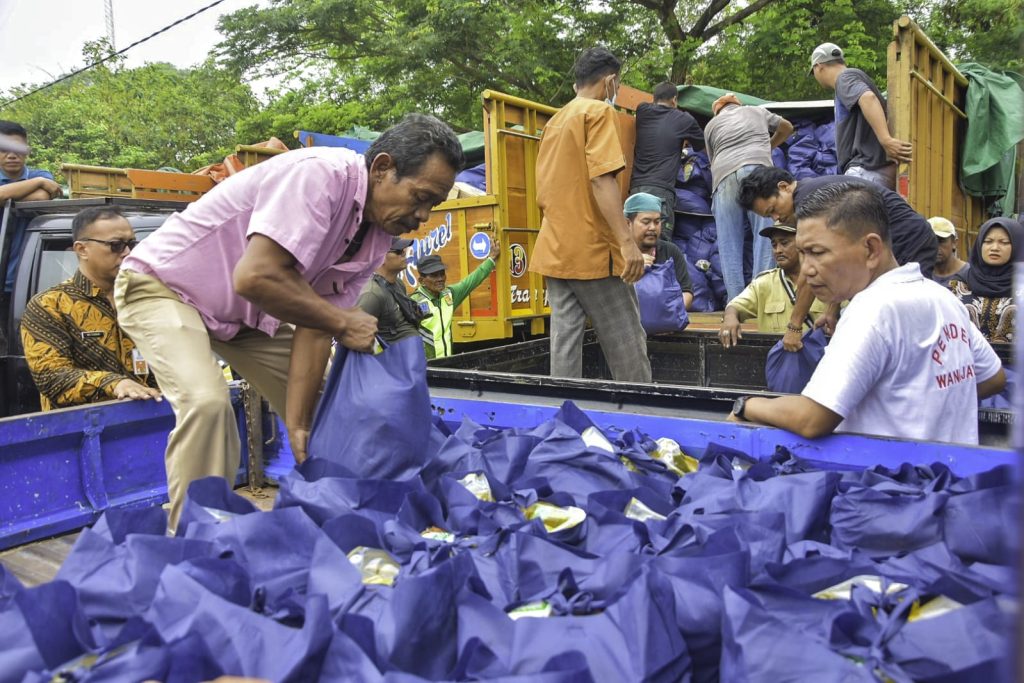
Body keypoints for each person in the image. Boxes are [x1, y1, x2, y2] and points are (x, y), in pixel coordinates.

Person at [113, 113, 463, 530]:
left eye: (433, 206)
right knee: (207, 403)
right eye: (419, 197)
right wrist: (342, 322)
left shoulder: (377, 238)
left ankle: (344, 522)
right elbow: (256, 276)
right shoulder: (320, 176)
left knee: (325, 407)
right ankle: (195, 543)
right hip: (164, 286)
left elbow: (316, 326)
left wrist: (298, 424)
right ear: (383, 167)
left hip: (245, 312)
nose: (423, 216)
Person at [728, 182, 1005, 444]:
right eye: (802, 254)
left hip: (893, 486)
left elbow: (812, 419)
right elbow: (993, 378)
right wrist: (923, 403)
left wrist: (747, 405)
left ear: (871, 249)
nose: (807, 269)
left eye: (817, 252)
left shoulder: (871, 310)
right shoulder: (942, 297)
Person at [531, 47, 651, 382]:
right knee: (627, 343)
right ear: (611, 82)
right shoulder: (598, 113)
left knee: (565, 344)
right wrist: (627, 243)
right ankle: (642, 418)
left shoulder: (555, 120)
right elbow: (602, 180)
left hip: (555, 248)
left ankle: (564, 417)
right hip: (593, 250)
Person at [739, 166, 937, 351]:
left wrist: (795, 326)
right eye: (769, 216)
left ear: (783, 187)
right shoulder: (813, 194)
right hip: (899, 239)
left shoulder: (809, 203)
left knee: (906, 321)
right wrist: (831, 310)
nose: (776, 218)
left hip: (908, 240)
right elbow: (835, 265)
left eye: (773, 209)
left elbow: (813, 270)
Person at [20, 207, 161, 411]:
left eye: (132, 244)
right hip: (83, 433)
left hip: (154, 423)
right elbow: (51, 377)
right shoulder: (50, 305)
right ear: (82, 249)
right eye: (116, 245)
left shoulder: (146, 298)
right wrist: (115, 384)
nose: (127, 253)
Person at [703, 94, 794, 301]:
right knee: (764, 236)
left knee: (728, 245)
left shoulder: (711, 125)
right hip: (757, 170)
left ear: (718, 110)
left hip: (724, 176)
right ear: (738, 104)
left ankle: (736, 305)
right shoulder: (756, 111)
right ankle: (761, 299)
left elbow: (712, 160)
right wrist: (769, 146)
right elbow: (787, 127)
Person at [809, 42, 911, 189]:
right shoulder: (852, 77)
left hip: (865, 170)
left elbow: (868, 98)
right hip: (874, 171)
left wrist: (886, 139)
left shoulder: (844, 78)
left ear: (819, 66)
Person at [719, 223, 828, 347]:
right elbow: (735, 306)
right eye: (774, 245)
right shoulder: (764, 283)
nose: (778, 250)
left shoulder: (827, 280)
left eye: (784, 243)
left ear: (803, 243)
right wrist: (729, 318)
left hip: (820, 359)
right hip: (780, 360)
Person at [629, 81, 705, 241]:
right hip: (661, 192)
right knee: (658, 245)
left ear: (654, 98)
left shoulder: (642, 110)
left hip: (636, 189)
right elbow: (703, 147)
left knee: (634, 243)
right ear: (674, 100)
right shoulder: (684, 119)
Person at [0, 121, 63, 293]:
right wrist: (38, 183)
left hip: (26, 281)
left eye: (18, 149)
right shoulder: (39, 179)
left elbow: (42, 197)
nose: (12, 155)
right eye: (4, 149)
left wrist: (8, 193)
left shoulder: (41, 173)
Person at [410, 245, 498, 359]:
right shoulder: (413, 302)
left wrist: (491, 259)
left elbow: (471, 281)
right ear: (421, 280)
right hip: (424, 369)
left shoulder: (449, 295)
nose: (440, 278)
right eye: (434, 275)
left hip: (446, 364)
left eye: (442, 273)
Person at [949, 217, 1021, 344]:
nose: (994, 248)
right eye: (988, 241)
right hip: (968, 361)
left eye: (1004, 242)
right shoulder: (958, 284)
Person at [627, 192, 693, 310]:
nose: (652, 227)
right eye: (646, 222)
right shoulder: (616, 254)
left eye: (657, 222)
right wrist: (634, 269)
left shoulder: (671, 251)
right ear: (628, 223)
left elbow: (686, 291)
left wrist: (669, 313)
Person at [357, 237, 426, 345]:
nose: (404, 254)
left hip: (407, 356)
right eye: (398, 251)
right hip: (389, 358)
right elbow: (355, 334)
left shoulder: (398, 283)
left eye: (404, 251)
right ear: (380, 257)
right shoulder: (372, 293)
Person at [928, 216, 970, 288]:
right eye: (930, 241)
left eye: (941, 241)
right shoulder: (920, 275)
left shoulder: (970, 275)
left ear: (954, 243)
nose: (935, 246)